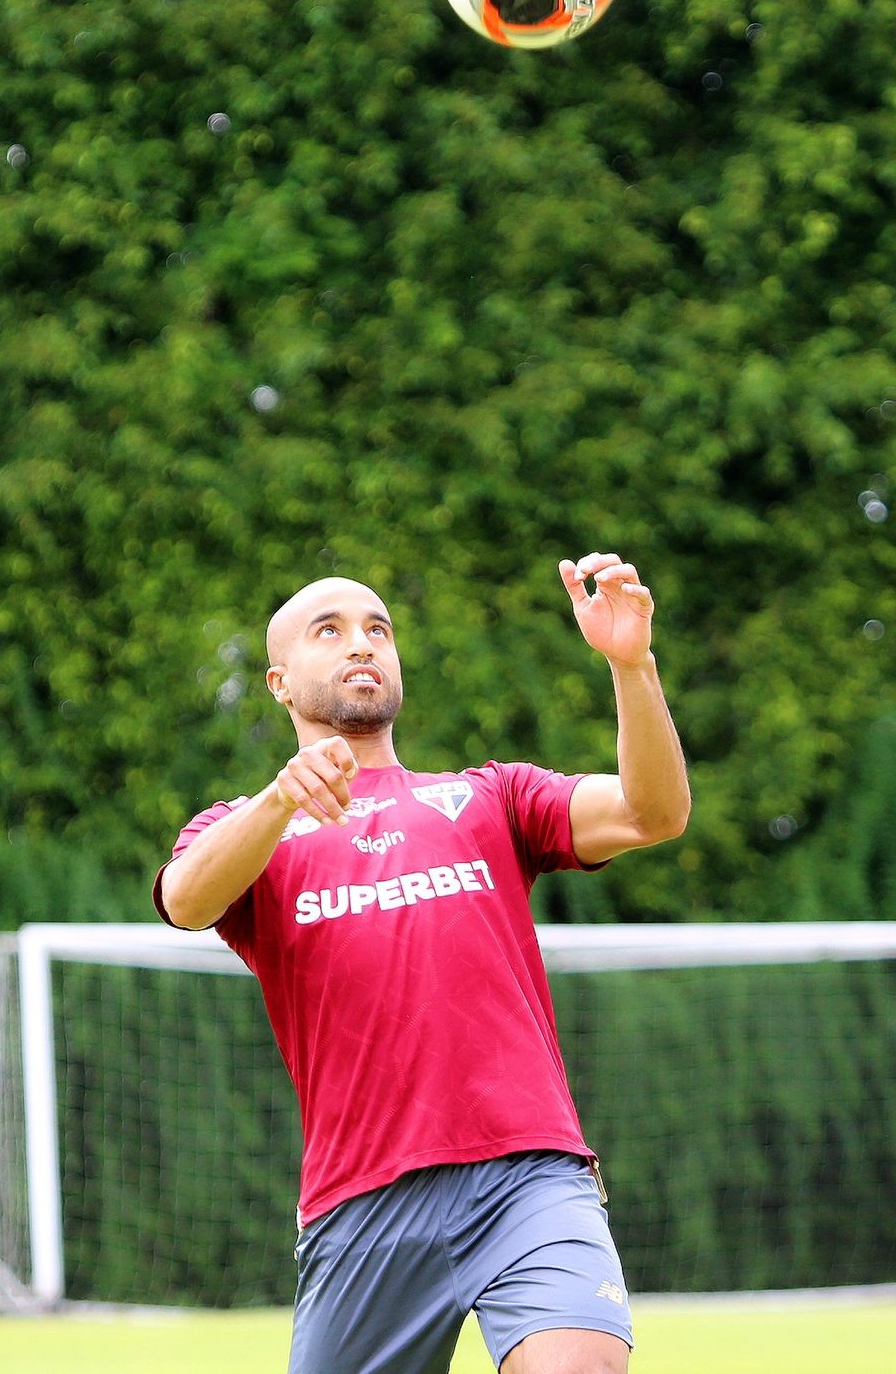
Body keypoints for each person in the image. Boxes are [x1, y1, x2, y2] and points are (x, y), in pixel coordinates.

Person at [154, 552, 690, 1374]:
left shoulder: (491, 798)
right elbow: (187, 900)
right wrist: (279, 799)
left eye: (378, 629)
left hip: (529, 1177)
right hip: (362, 1203)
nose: (360, 643)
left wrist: (632, 665)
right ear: (279, 683)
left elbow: (654, 812)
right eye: (327, 630)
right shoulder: (249, 831)